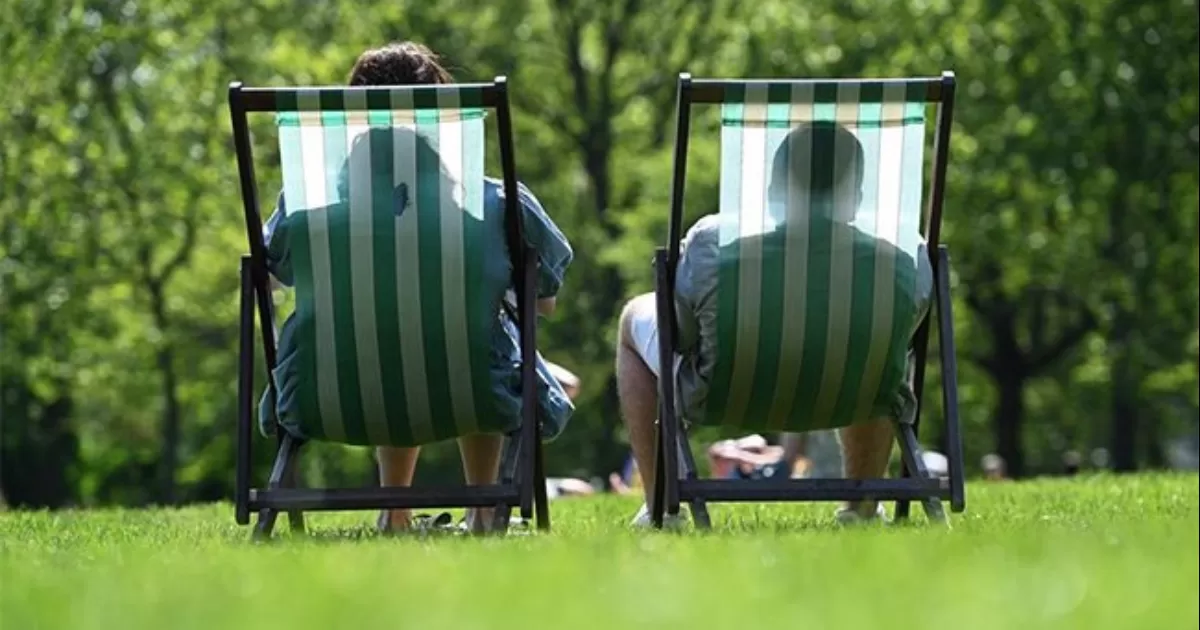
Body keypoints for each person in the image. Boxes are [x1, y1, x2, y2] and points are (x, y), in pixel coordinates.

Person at [259, 41, 574, 535]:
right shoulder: (494, 202)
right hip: (475, 392)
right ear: (444, 120)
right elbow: (547, 303)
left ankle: (396, 513)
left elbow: (272, 274)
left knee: (387, 327)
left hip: (326, 396)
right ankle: (482, 513)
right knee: (476, 333)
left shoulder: (307, 206)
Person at [614, 121, 932, 528]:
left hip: (723, 392)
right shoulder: (904, 257)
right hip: (858, 391)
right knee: (874, 346)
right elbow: (906, 336)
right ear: (855, 197)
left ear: (772, 191)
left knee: (633, 318)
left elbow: (679, 333)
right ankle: (863, 505)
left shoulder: (713, 243)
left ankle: (661, 506)